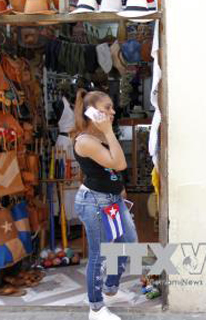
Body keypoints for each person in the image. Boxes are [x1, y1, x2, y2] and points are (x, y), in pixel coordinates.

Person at [73, 89, 138, 320]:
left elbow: (114, 173)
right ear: (91, 113)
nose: (112, 111)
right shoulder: (86, 141)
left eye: (111, 107)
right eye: (106, 108)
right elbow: (119, 164)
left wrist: (121, 193)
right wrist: (109, 131)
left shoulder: (101, 136)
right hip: (94, 203)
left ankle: (111, 289)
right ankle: (96, 308)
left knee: (126, 243)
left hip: (111, 200)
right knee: (99, 255)